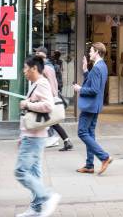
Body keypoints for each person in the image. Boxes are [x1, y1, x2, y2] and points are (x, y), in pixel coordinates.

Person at [15, 55, 61, 217]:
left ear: (34, 68)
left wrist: (27, 104)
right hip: (33, 134)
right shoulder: (36, 83)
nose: (24, 71)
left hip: (34, 136)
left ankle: (47, 196)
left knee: (20, 171)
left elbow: (48, 105)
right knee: (34, 173)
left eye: (26, 68)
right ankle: (36, 208)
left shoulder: (41, 83)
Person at [74, 42, 113, 175]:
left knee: (82, 132)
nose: (89, 53)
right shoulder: (102, 66)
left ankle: (104, 157)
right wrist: (85, 70)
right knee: (90, 133)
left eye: (91, 51)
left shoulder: (97, 68)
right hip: (95, 105)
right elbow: (93, 82)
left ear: (97, 52)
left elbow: (94, 89)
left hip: (90, 106)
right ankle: (90, 165)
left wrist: (80, 89)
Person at [35, 47, 73, 152]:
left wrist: (52, 97)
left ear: (42, 55)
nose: (36, 55)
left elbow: (52, 83)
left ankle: (48, 140)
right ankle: (66, 141)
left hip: (47, 98)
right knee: (51, 121)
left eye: (37, 53)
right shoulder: (44, 66)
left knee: (47, 120)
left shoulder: (47, 67)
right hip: (46, 97)